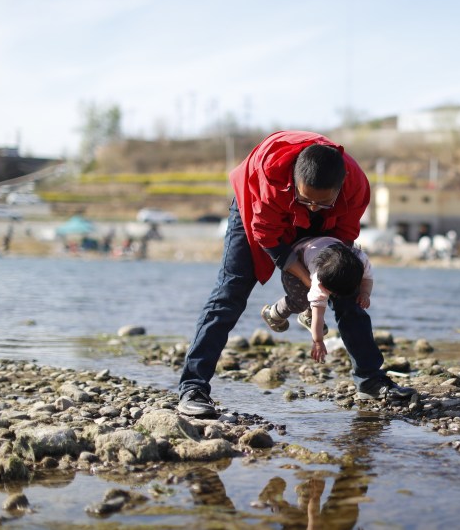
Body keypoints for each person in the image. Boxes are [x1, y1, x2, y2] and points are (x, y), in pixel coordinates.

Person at [177, 131, 414, 416]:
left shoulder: (356, 188)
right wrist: (313, 283)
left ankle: (370, 380)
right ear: (294, 180)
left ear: (340, 188)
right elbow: (270, 241)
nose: (312, 207)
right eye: (307, 199)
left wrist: (329, 281)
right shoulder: (270, 179)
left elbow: (341, 245)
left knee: (346, 287)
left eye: (322, 202)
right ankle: (193, 387)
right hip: (255, 207)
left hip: (325, 224)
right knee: (230, 293)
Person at [260, 236, 374, 364]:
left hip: (322, 250)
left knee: (346, 298)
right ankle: (273, 313)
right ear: (323, 286)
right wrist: (318, 341)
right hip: (296, 262)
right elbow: (318, 315)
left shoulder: (360, 259)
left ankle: (305, 315)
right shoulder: (318, 281)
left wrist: (365, 293)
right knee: (300, 302)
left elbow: (367, 279)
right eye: (331, 292)